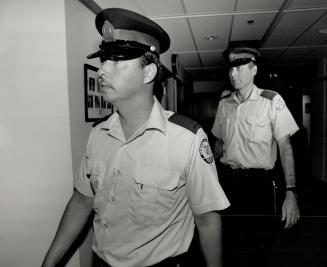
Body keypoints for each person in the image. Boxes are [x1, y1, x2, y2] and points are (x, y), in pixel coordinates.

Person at [42, 8, 230, 267]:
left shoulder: (187, 139)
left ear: (149, 73)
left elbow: (207, 220)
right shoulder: (98, 135)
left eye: (117, 61)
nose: (103, 71)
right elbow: (82, 200)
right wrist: (49, 262)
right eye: (104, 60)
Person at [211, 43, 300, 267]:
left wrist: (291, 192)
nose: (233, 74)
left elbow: (285, 147)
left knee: (259, 249)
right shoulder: (224, 104)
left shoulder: (271, 101)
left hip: (259, 187)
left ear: (254, 70)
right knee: (229, 246)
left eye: (240, 68)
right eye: (231, 68)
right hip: (228, 184)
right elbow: (218, 144)